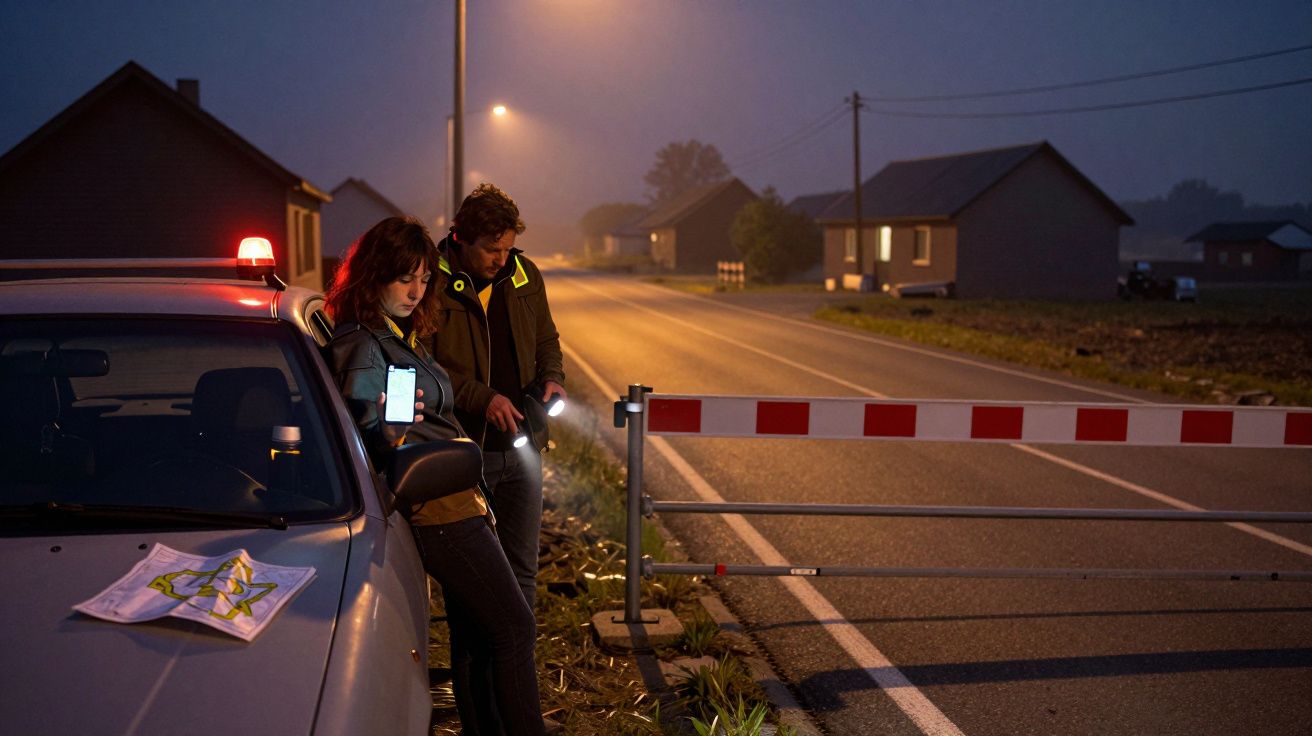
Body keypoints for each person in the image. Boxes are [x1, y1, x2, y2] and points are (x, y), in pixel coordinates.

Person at [325, 216, 544, 736]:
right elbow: (373, 438)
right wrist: (392, 430)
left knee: (476, 635)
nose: (415, 290)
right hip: (438, 506)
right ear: (374, 274)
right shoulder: (363, 344)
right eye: (404, 277)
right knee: (515, 628)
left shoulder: (398, 335)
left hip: (458, 498)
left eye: (424, 278)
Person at [431, 183, 565, 609]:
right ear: (461, 238)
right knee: (470, 582)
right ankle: (475, 675)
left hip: (523, 450)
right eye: (491, 249)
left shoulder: (525, 276)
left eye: (508, 248)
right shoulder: (428, 281)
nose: (502, 259)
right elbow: (419, 366)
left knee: (521, 572)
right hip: (464, 453)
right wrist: (480, 398)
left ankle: (517, 672)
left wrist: (553, 377)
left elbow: (547, 338)